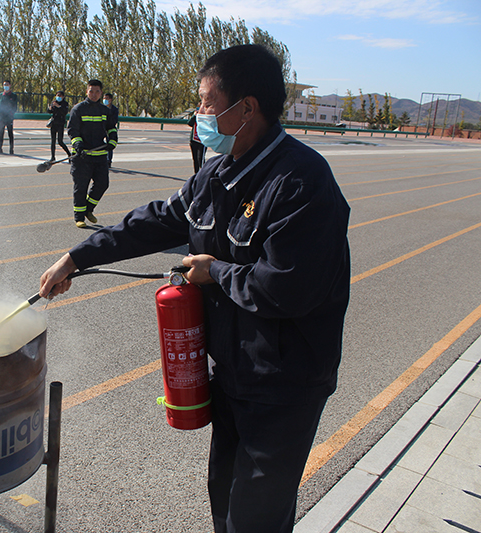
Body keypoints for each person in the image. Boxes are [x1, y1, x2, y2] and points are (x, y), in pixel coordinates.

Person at [39, 44, 350, 532]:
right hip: (231, 372)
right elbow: (159, 220)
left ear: (246, 108)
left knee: (257, 515)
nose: (199, 114)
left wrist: (215, 272)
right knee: (224, 497)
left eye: (206, 102)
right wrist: (78, 257)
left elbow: (288, 287)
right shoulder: (216, 172)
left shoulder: (301, 183)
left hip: (283, 384)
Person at [66, 79, 118, 228]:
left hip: (99, 155)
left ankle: (88, 209)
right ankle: (79, 218)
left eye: (97, 91)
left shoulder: (105, 110)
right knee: (80, 187)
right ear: (86, 91)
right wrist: (78, 144)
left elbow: (111, 128)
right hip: (81, 156)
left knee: (103, 184)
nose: (94, 94)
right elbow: (72, 130)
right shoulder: (78, 109)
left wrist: (113, 140)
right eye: (91, 91)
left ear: (101, 93)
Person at [0, 80, 18, 154]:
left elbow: (15, 107)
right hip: (2, 117)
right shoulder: (1, 95)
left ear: (10, 85)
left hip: (9, 117)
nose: (5, 86)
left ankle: (11, 149)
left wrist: (11, 114)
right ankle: (0, 147)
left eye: (7, 84)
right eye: (4, 84)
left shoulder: (13, 95)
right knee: (1, 132)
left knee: (10, 133)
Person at [47, 91, 71, 161]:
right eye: (57, 95)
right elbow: (49, 111)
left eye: (60, 96)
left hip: (60, 124)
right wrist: (50, 108)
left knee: (60, 141)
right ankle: (53, 157)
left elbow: (64, 112)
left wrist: (59, 107)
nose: (58, 97)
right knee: (53, 141)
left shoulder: (65, 104)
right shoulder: (54, 102)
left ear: (63, 97)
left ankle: (69, 154)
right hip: (54, 123)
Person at [102, 92, 119, 167]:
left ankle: (109, 160)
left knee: (110, 145)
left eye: (107, 98)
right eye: (104, 98)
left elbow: (114, 120)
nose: (105, 100)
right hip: (102, 128)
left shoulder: (114, 109)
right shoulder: (101, 108)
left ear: (111, 99)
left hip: (110, 129)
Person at [188, 107, 206, 172]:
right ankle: (196, 174)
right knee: (195, 159)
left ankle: (203, 173)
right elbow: (190, 123)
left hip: (202, 140)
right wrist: (195, 115)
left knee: (200, 159)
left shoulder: (206, 116)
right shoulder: (196, 116)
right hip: (194, 139)